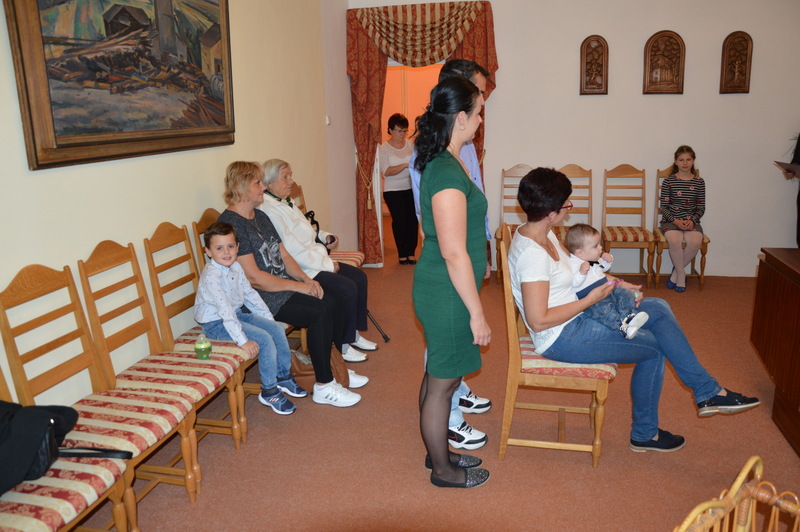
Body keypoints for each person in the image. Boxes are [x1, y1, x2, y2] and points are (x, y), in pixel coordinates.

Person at [507, 167, 760, 453]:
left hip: (578, 315)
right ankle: (648, 431)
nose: (570, 207)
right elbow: (538, 321)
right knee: (654, 348)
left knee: (659, 307)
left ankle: (707, 392)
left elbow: (580, 273)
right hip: (563, 336)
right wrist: (591, 300)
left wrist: (617, 283)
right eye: (567, 203)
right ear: (552, 212)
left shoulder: (544, 233)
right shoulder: (532, 255)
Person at [218, 161, 368, 408]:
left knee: (332, 298)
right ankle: (324, 385)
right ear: (241, 186)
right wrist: (299, 287)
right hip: (256, 297)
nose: (263, 187)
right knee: (320, 312)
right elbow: (254, 278)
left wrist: (306, 279)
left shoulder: (260, 215)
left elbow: (284, 256)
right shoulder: (231, 225)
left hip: (280, 286)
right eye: (258, 182)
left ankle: (334, 367)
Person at [408, 58, 493, 451]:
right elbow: (454, 252)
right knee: (443, 384)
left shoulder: (450, 159)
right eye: (478, 113)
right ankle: (442, 468)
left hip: (449, 287)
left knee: (440, 377)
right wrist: (477, 313)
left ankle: (438, 458)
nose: (480, 120)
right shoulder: (444, 170)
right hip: (447, 290)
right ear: (460, 118)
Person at [259, 158, 377, 364]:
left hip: (315, 258)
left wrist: (324, 236)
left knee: (359, 277)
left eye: (290, 175)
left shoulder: (285, 201)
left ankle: (352, 334)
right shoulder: (269, 210)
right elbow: (292, 251)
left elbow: (306, 228)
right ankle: (343, 344)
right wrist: (328, 265)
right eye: (285, 177)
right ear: (269, 183)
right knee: (347, 287)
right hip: (303, 268)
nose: (291, 181)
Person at [194, 222, 306, 415]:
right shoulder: (211, 276)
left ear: (237, 247)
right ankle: (269, 391)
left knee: (276, 329)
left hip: (235, 314)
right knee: (264, 338)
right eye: (219, 248)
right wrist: (242, 341)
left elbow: (251, 296)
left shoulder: (236, 267)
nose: (226, 252)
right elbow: (224, 310)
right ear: (208, 252)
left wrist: (269, 321)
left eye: (230, 246)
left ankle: (282, 376)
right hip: (215, 323)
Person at [565, 223, 649, 339]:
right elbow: (574, 283)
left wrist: (608, 261)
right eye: (595, 246)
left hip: (607, 290)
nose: (600, 248)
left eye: (599, 244)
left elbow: (603, 268)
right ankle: (621, 327)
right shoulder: (573, 264)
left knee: (624, 293)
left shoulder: (592, 258)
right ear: (580, 253)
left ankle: (629, 316)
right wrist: (581, 273)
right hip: (591, 299)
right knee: (604, 310)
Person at [660, 145, 705, 292]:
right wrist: (675, 221)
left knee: (695, 242)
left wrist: (692, 220)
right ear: (676, 162)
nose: (685, 163)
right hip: (671, 221)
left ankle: (675, 273)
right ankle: (681, 275)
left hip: (692, 221)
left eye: (688, 159)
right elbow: (664, 207)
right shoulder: (669, 181)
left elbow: (701, 207)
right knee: (674, 241)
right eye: (681, 160)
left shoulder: (699, 182)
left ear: (693, 161)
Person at [379, 113, 418, 264]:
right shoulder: (384, 148)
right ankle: (402, 253)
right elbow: (387, 171)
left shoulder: (411, 145)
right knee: (400, 221)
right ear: (390, 130)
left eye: (405, 131)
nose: (402, 134)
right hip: (393, 190)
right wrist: (404, 165)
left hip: (410, 188)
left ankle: (411, 252)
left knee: (413, 220)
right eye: (399, 130)